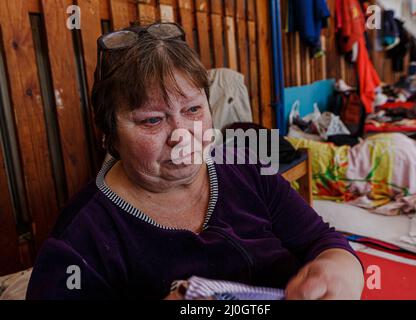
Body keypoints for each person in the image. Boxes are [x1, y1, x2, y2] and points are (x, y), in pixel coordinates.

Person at [26, 23, 363, 300]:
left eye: (193, 110)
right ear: (110, 135)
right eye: (152, 121)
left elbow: (320, 240)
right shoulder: (81, 240)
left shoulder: (246, 168)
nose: (181, 134)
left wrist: (339, 269)